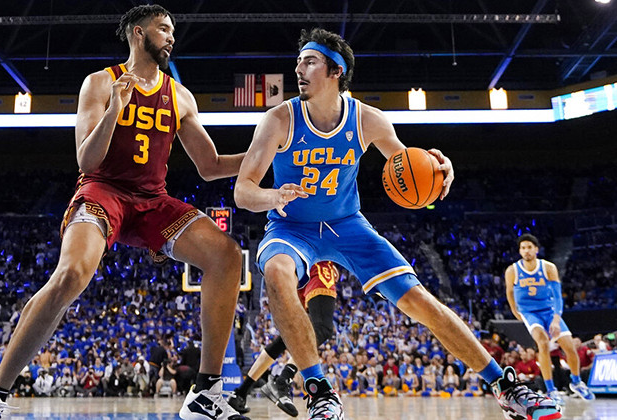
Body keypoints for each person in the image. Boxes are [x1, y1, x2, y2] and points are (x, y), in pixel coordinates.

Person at [234, 27, 561, 420]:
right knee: (275, 270)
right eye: (298, 61)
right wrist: (273, 196)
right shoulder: (279, 119)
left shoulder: (367, 120)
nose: (298, 69)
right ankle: (320, 391)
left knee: (420, 301)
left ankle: (506, 387)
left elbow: (407, 166)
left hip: (347, 224)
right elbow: (243, 190)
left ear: (335, 70)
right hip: (292, 227)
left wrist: (440, 169)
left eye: (309, 61)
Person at [0, 5, 247, 420]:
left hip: (153, 201)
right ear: (138, 33)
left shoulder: (179, 95)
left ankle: (205, 394)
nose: (172, 36)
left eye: (173, 30)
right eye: (163, 28)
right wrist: (116, 109)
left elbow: (210, 167)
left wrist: (264, 154)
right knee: (71, 275)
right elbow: (88, 161)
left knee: (227, 255)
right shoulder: (100, 82)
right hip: (104, 191)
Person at [228, 261, 338, 417]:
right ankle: (283, 379)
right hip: (317, 265)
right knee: (322, 329)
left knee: (291, 334)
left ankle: (240, 393)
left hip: (295, 268)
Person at [505, 233, 596, 403]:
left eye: (529, 247)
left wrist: (555, 319)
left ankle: (576, 382)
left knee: (569, 346)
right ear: (520, 251)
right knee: (543, 342)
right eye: (523, 248)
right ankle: (551, 390)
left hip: (548, 310)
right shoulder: (512, 270)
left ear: (536, 250)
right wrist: (514, 311)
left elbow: (557, 296)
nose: (526, 251)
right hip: (529, 312)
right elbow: (509, 292)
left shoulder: (548, 267)